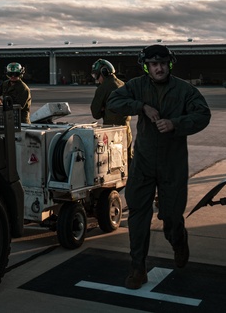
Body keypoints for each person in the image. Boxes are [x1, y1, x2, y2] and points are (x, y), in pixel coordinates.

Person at [106, 44, 211, 290]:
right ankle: (137, 267)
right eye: (154, 64)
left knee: (172, 216)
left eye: (163, 63)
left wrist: (176, 124)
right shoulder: (137, 86)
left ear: (169, 64)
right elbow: (114, 101)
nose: (159, 68)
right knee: (138, 214)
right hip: (143, 161)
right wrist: (141, 106)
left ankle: (178, 241)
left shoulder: (184, 90)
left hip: (172, 163)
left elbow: (203, 114)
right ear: (147, 66)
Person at [89, 59, 133, 157]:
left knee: (113, 164)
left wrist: (103, 108)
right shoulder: (123, 84)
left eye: (97, 76)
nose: (97, 79)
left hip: (112, 132)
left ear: (103, 72)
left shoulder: (103, 88)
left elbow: (95, 113)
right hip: (127, 130)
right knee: (128, 161)